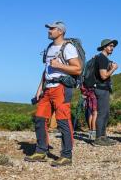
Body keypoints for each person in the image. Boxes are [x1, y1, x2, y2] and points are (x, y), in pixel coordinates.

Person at [24, 21, 82, 167]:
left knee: (63, 121)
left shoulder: (68, 47)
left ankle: (66, 156)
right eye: (49, 28)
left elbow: (78, 69)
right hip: (48, 89)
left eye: (52, 28)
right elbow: (47, 70)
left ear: (60, 31)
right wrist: (39, 89)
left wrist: (59, 65)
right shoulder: (50, 47)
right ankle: (41, 151)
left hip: (61, 88)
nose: (49, 31)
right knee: (39, 119)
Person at [93, 39, 119, 146]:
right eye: (110, 46)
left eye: (113, 46)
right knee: (102, 113)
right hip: (101, 88)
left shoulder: (101, 58)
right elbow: (103, 76)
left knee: (105, 113)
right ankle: (99, 138)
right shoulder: (102, 59)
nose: (112, 48)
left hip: (102, 88)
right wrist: (113, 69)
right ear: (104, 47)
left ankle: (103, 137)